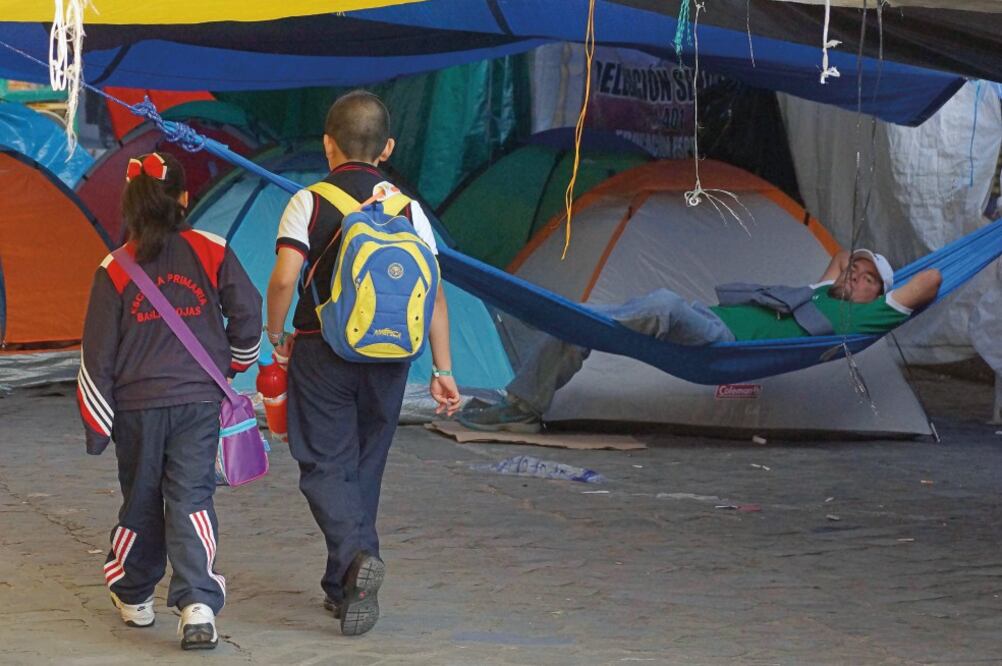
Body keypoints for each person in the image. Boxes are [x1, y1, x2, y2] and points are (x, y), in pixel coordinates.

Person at [265, 90, 461, 636]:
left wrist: (274, 332)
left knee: (324, 464)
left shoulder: (309, 200)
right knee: (364, 468)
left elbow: (285, 276)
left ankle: (354, 561)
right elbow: (436, 295)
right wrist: (443, 372)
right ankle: (344, 587)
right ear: (388, 148)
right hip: (393, 357)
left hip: (322, 351)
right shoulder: (409, 209)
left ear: (328, 144)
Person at [77, 152, 262, 649]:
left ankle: (135, 596)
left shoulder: (113, 268)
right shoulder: (212, 250)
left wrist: (98, 424)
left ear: (130, 205)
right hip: (199, 404)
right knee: (191, 496)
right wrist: (235, 364)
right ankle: (198, 605)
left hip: (136, 409)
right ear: (184, 199)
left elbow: (97, 354)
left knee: (140, 498)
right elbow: (248, 312)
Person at [460, 249, 942, 433]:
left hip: (725, 346)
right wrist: (854, 267)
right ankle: (522, 404)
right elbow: (840, 256)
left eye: (866, 279)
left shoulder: (869, 317)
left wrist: (883, 286)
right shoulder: (822, 292)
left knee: (664, 304)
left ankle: (584, 324)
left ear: (882, 293)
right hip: (706, 322)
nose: (854, 278)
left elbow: (933, 278)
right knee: (573, 326)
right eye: (853, 274)